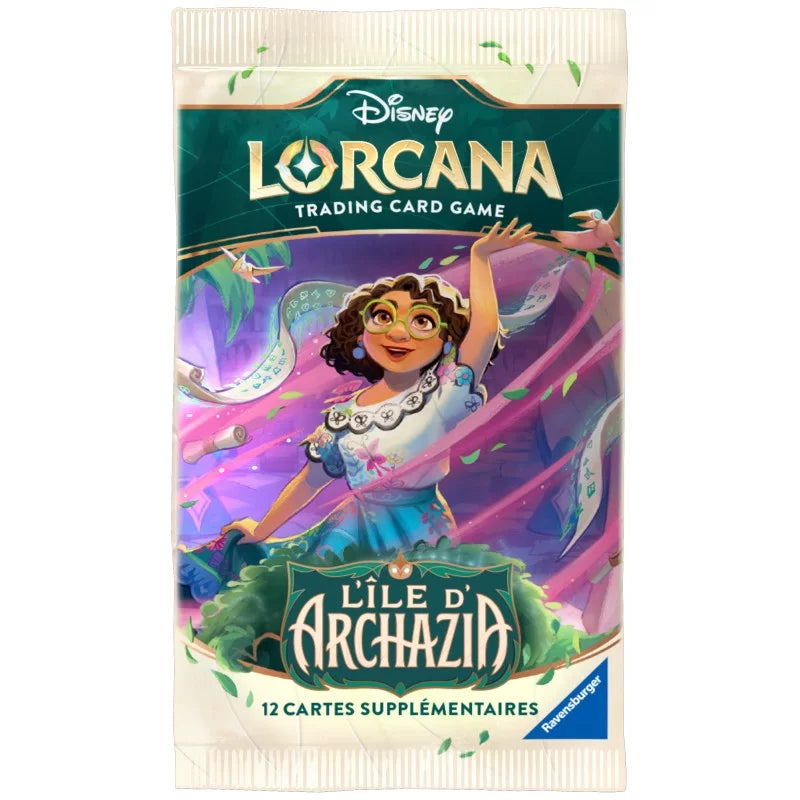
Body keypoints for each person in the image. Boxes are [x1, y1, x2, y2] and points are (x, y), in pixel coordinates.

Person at [178, 219, 535, 600]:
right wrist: (262, 530)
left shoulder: (443, 395)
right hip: (350, 529)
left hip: (422, 530)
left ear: (447, 341)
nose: (398, 333)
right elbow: (310, 481)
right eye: (383, 317)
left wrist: (480, 257)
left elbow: (484, 332)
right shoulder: (344, 416)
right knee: (317, 599)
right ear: (361, 332)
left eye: (421, 321)